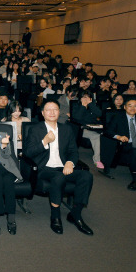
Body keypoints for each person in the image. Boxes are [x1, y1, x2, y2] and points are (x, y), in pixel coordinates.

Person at [24, 100, 94, 236]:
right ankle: (55, 216)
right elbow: (28, 153)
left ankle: (76, 215)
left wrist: (70, 162)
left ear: (59, 112)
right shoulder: (35, 129)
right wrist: (44, 141)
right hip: (44, 169)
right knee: (58, 177)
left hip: (62, 167)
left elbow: (73, 151)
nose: (52, 112)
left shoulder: (66, 129)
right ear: (43, 113)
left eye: (55, 109)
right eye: (48, 110)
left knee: (86, 175)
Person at [72, 90, 103, 169]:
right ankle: (97, 160)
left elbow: (100, 114)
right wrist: (83, 106)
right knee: (96, 136)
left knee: (101, 135)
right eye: (83, 97)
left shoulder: (93, 106)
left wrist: (91, 105)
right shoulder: (76, 105)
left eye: (87, 97)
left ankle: (101, 159)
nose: (85, 99)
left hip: (92, 128)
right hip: (80, 129)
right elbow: (77, 118)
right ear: (80, 98)